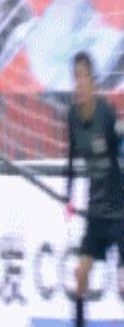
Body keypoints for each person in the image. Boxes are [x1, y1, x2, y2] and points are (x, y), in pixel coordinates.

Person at [66, 51, 124, 327]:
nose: (79, 83)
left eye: (84, 76)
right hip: (95, 211)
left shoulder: (106, 113)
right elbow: (71, 158)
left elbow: (119, 152)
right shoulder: (72, 116)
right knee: (80, 274)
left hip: (120, 210)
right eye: (75, 77)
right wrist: (68, 195)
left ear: (93, 81)